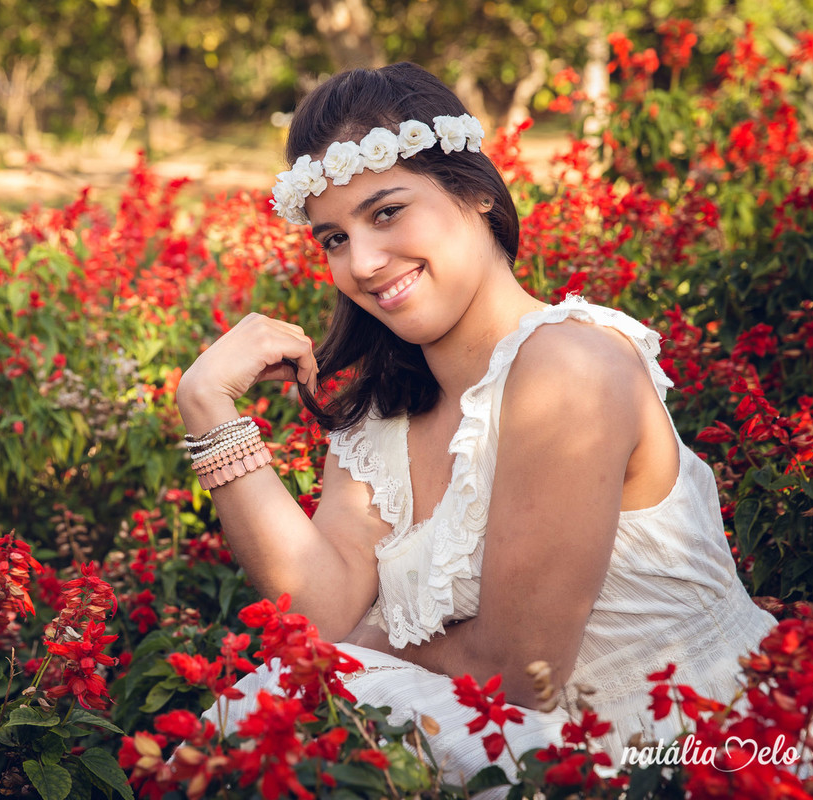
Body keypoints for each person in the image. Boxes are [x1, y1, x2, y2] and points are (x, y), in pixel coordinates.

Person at [174, 62, 777, 785]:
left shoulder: (569, 366)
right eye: (333, 238)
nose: (362, 263)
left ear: (478, 194)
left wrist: (369, 640)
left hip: (701, 754)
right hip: (535, 756)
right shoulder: (384, 414)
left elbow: (521, 671)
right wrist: (208, 406)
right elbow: (317, 619)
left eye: (387, 211)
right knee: (267, 711)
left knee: (263, 710)